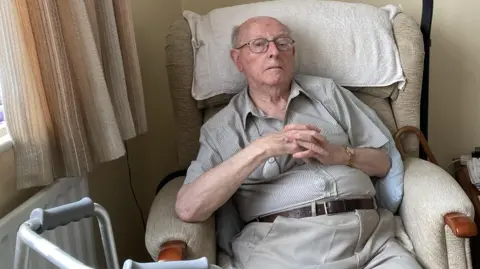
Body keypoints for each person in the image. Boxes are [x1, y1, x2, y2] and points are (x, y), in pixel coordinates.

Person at [175, 16, 422, 269]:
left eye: (282, 43)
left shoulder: (328, 94)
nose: (273, 52)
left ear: (292, 52)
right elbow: (188, 208)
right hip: (285, 251)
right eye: (259, 44)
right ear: (238, 59)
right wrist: (260, 150)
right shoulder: (222, 128)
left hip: (370, 240)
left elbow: (384, 162)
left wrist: (339, 154)